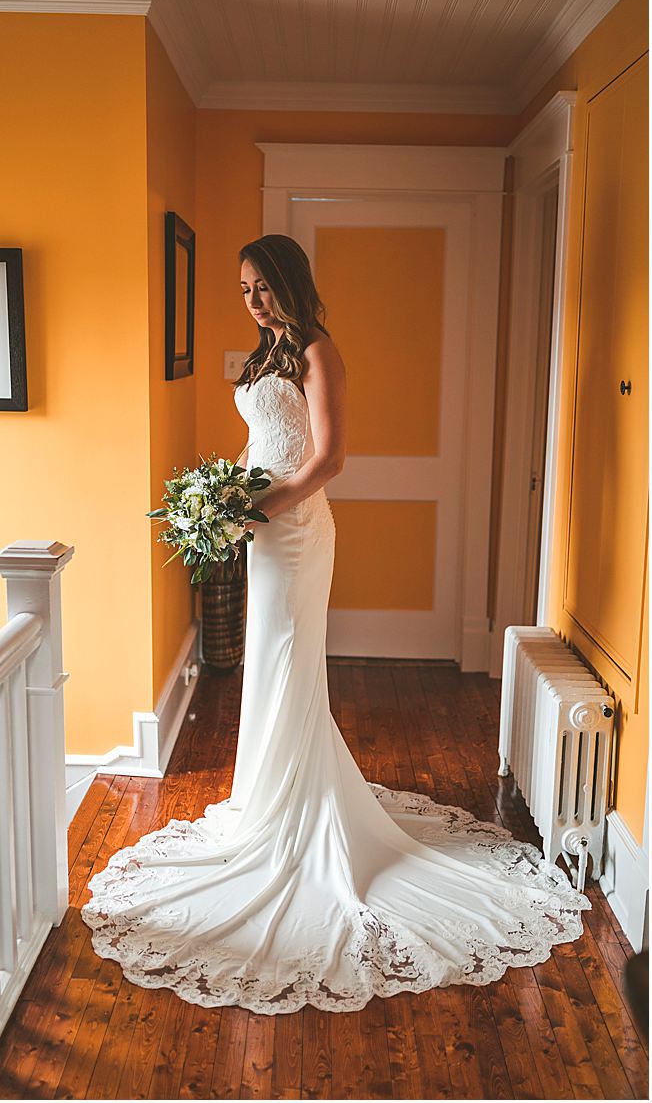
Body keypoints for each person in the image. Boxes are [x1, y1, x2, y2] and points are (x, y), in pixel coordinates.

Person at [82, 234, 589, 1014]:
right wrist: (226, 495)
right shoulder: (264, 355)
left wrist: (256, 508)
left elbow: (328, 459)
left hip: (296, 527)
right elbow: (265, 440)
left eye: (260, 285)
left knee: (288, 659)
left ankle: (298, 815)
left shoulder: (319, 350)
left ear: (289, 279)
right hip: (260, 526)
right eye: (242, 288)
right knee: (267, 658)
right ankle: (267, 801)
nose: (250, 299)